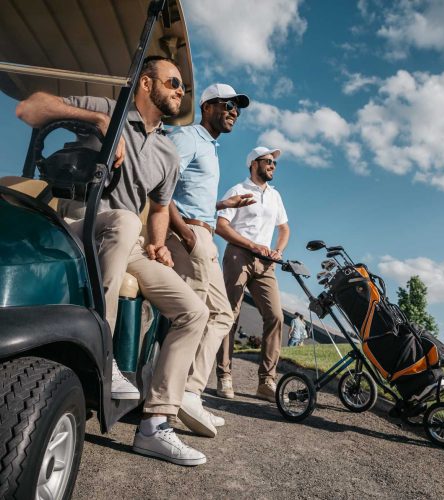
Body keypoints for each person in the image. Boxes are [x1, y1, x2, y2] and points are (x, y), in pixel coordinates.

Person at [16, 56, 210, 466]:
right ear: (145, 82)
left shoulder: (168, 153)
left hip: (129, 242)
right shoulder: (106, 109)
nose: (180, 91)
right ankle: (103, 357)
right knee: (122, 220)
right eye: (174, 83)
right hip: (73, 220)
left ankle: (156, 425)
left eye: (183, 88)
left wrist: (159, 245)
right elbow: (28, 109)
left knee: (194, 310)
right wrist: (97, 121)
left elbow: (158, 209)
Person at [166, 83, 252, 435]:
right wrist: (185, 234)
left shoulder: (210, 148)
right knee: (197, 316)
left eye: (238, 108)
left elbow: (192, 193)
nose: (234, 111)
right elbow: (160, 187)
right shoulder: (187, 137)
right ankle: (169, 402)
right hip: (190, 235)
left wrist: (222, 205)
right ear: (207, 106)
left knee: (221, 315)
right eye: (228, 105)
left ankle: (190, 392)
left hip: (203, 233)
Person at [216, 146, 290, 402]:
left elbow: (284, 228)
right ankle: (224, 375)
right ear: (253, 163)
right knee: (230, 314)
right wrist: (251, 245)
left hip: (266, 262)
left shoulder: (275, 196)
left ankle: (266, 381)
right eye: (268, 161)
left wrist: (277, 250)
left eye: (274, 163)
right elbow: (221, 226)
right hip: (239, 255)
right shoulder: (238, 190)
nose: (272, 165)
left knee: (276, 316)